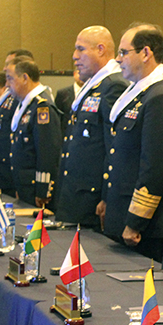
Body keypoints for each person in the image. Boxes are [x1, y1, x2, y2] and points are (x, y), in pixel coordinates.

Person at [98, 25, 163, 262]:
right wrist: (107, 199)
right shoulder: (138, 93)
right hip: (122, 212)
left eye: (124, 52)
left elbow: (155, 168)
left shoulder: (161, 97)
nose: (117, 59)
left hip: (144, 228)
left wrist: (136, 221)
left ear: (145, 53)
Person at [55, 26, 128, 230]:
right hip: (77, 194)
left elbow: (113, 147)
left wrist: (106, 197)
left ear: (101, 49)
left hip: (92, 199)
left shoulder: (113, 85)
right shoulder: (94, 86)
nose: (74, 56)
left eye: (81, 49)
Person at [5, 56, 62, 209]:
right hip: (25, 186)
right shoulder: (26, 106)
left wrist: (43, 190)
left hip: (35, 189)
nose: (7, 85)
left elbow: (47, 153)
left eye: (10, 78)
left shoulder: (42, 107)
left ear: (25, 78)